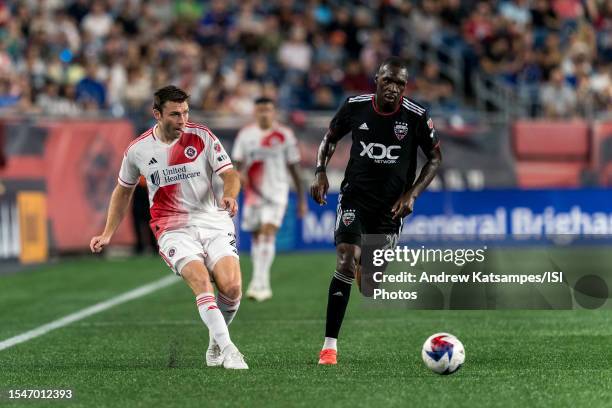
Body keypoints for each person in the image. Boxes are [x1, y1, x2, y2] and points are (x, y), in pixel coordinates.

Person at [90, 85, 248, 369]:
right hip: (172, 228)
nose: (182, 120)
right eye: (175, 114)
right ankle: (229, 348)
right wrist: (107, 233)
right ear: (157, 114)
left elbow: (230, 174)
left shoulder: (201, 136)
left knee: (233, 287)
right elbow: (122, 191)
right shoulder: (137, 150)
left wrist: (230, 194)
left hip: (213, 220)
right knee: (202, 283)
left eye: (186, 112)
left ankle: (216, 339)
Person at [310, 57, 442, 365]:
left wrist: (413, 194)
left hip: (390, 210)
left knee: (369, 286)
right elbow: (330, 138)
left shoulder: (417, 116)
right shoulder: (355, 106)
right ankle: (329, 346)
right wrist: (320, 170)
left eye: (400, 84)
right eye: (388, 82)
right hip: (355, 198)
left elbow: (435, 159)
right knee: (344, 258)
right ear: (376, 80)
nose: (394, 89)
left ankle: (363, 265)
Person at [232, 97, 306, 301]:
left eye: (268, 110)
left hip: (277, 193)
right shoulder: (246, 135)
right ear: (255, 112)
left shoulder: (284, 135)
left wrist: (301, 199)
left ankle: (259, 283)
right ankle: (260, 283)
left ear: (274, 113)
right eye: (261, 110)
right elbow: (236, 165)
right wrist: (238, 177)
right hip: (253, 194)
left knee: (267, 233)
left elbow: (294, 169)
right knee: (257, 237)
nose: (264, 113)